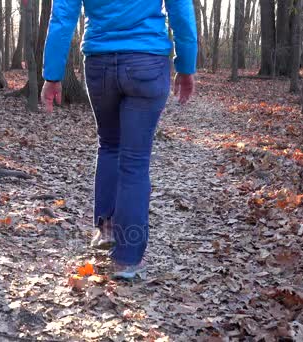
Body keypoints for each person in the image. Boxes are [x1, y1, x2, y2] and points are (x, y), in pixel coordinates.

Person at [41, 0, 197, 279]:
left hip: (100, 63)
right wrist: (186, 65)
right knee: (135, 161)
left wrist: (52, 75)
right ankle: (127, 260)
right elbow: (181, 11)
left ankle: (106, 231)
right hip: (147, 60)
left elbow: (63, 16)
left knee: (109, 145)